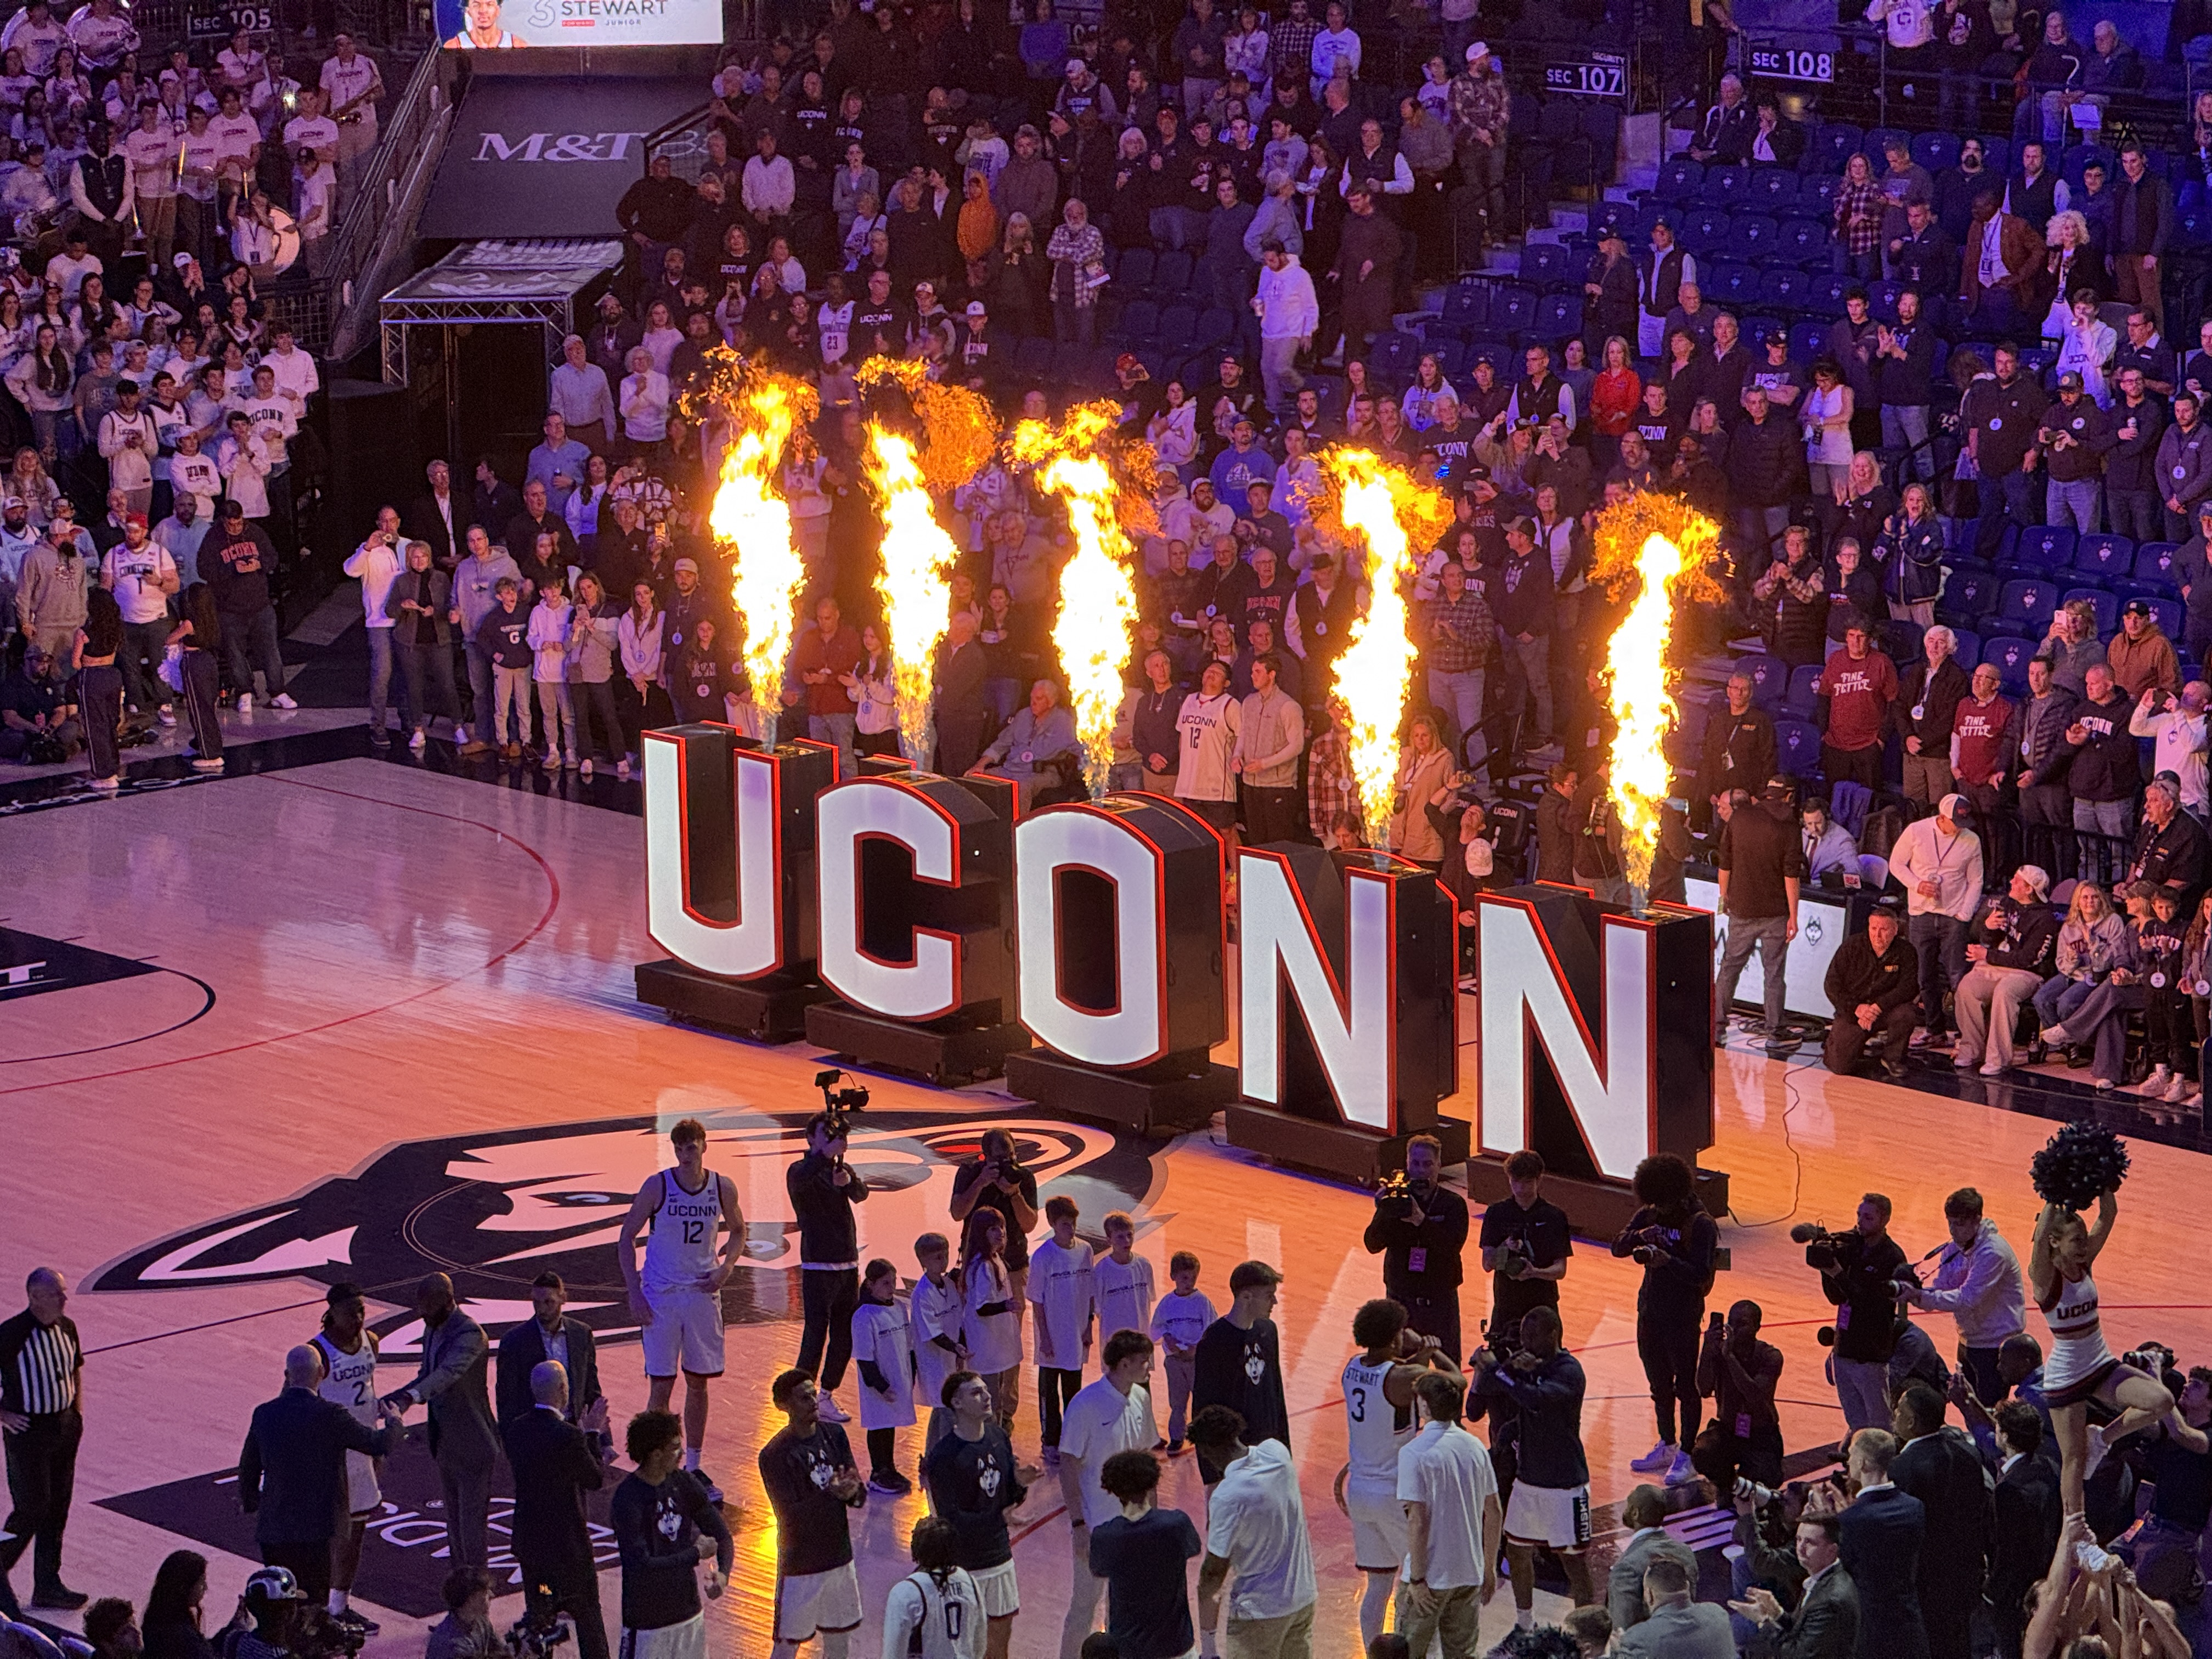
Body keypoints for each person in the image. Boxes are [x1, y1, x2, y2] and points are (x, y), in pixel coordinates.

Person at [2028, 1190, 2191, 1516]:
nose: (2083, 1243)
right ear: (2055, 1241)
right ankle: (2074, 1526)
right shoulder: (2045, 1279)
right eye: (2076, 1239)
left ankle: (2103, 1438)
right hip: (2067, 1374)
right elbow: (2037, 1250)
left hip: (2101, 1362)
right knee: (2073, 1459)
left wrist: (2104, 1180)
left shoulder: (2084, 1263)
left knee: (2162, 1401)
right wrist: (2051, 1193)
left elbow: (2109, 1215)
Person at [617, 1118, 746, 1495]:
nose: (686, 1155)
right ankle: (654, 1464)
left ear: (705, 1146)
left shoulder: (722, 1187)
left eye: (692, 1147)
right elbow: (626, 1238)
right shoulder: (658, 1185)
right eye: (679, 1148)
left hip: (702, 1292)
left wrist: (727, 1267)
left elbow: (739, 1229)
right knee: (661, 1383)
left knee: (698, 1382)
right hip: (662, 1294)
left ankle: (693, 1464)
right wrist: (634, 1291)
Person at [235, 1345, 403, 1608]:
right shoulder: (331, 1415)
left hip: (275, 1527)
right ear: (322, 1373)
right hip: (316, 1529)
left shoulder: (264, 1413)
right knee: (313, 1605)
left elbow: (248, 1467)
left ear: (287, 1375)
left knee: (279, 1601)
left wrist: (254, 1504)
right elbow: (378, 1444)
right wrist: (395, 1421)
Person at [1339, 1297, 1452, 1646]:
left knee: (1379, 1584)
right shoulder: (1406, 1375)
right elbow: (1454, 1382)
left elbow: (1392, 1379)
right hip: (1394, 1491)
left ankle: (1375, 1652)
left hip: (1359, 1489)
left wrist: (1413, 1354)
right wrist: (1431, 1349)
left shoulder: (1352, 1366)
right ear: (1395, 1336)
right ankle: (1424, 1653)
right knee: (1426, 1577)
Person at [1472, 1305, 1595, 1622]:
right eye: (1523, 1334)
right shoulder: (1527, 1364)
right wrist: (1508, 1367)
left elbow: (1534, 1399)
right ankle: (1525, 1624)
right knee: (1516, 1551)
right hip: (1528, 1480)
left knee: (1574, 1564)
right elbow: (1485, 1389)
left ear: (1553, 1334)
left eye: (1532, 1335)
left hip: (1565, 1484)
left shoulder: (1569, 1370)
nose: (1525, 1341)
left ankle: (1588, 1628)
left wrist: (1502, 1372)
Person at [375, 1272, 496, 1571]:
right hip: (445, 1441)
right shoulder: (433, 1328)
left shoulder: (471, 1334)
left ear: (447, 1300)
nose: (422, 1313)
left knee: (471, 1528)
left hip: (473, 1442)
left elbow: (446, 1375)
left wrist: (413, 1397)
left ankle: (478, 1596)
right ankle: (461, 1592)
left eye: (428, 1306)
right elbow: (426, 1374)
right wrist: (396, 1399)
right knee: (454, 1525)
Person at [1615, 1153, 1717, 1489]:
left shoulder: (1700, 1223)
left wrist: (1667, 1261)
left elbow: (1702, 1276)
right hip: (1650, 1311)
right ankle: (1667, 1442)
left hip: (1683, 1315)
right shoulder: (1650, 1212)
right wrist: (1641, 1236)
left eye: (1663, 1203)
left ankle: (1687, 1453)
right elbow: (1617, 1247)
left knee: (1686, 1387)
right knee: (1658, 1385)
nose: (1658, 1209)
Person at [1056, 1330, 1156, 1659]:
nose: (1149, 1368)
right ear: (1124, 1364)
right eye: (1144, 1362)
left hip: (1133, 1526)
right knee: (1084, 1605)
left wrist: (1150, 1519)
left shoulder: (1141, 1397)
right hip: (1097, 1527)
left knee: (1124, 1606)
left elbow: (1147, 1461)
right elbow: (1068, 1465)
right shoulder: (1085, 1405)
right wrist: (1078, 1525)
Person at [1190, 1403, 1317, 1659]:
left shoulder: (1227, 1497)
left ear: (1207, 1450)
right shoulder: (1277, 1452)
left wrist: (1209, 1646)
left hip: (1259, 1613)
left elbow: (1213, 1572)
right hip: (1303, 1599)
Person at [504, 1361, 611, 1659]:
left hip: (532, 1547)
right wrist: (591, 1434)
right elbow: (595, 1478)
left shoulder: (516, 1429)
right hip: (568, 1551)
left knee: (540, 1618)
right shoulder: (569, 1437)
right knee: (587, 1615)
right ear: (564, 1390)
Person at [1395, 1370, 1500, 1659]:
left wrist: (1417, 1580)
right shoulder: (1476, 1447)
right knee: (1463, 1654)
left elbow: (1418, 1520)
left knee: (1405, 1653)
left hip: (1430, 1578)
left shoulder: (1414, 1453)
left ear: (1425, 1406)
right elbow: (1493, 1509)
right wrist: (1488, 1566)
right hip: (1469, 1573)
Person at [618, 1406, 735, 1659]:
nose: (682, 1453)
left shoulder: (684, 1483)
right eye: (674, 1448)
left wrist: (723, 1575)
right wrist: (695, 1554)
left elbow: (723, 1536)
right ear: (656, 1454)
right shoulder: (628, 1499)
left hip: (689, 1614)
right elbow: (642, 1564)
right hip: (647, 1622)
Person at [0, 1267, 84, 1617]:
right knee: (32, 1507)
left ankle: (48, 1585)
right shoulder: (11, 1334)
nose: (64, 1299)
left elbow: (75, 1368)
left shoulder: (67, 1327)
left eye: (63, 1292)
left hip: (64, 1427)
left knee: (57, 1508)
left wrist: (76, 1413)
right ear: (34, 1297)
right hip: (28, 1433)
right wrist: (3, 1415)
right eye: (56, 1294)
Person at [923, 1373, 1025, 1659]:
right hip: (968, 1565)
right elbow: (951, 1518)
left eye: (985, 1391)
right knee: (967, 1647)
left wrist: (1022, 1483)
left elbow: (1008, 1496)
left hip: (1001, 1558)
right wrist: (999, 1519)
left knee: (1000, 1644)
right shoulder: (944, 1457)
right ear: (957, 1403)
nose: (987, 1396)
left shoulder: (998, 1437)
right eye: (976, 1393)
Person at [1889, 1381, 1992, 1659]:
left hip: (1926, 1579)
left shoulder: (1902, 1468)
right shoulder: (1969, 1454)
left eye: (1899, 1410)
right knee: (1959, 1641)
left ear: (1911, 1422)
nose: (1894, 1416)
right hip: (1966, 1570)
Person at [785, 1110, 871, 1426]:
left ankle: (826, 1395)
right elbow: (805, 1176)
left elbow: (862, 1195)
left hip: (847, 1261)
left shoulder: (840, 1168)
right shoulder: (799, 1170)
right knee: (815, 1333)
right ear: (810, 1138)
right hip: (819, 1264)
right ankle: (799, 1398)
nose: (834, 1142)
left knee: (843, 1335)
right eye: (826, 1135)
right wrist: (826, 1155)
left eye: (837, 1137)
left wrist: (849, 1182)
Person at [1901, 1188, 2025, 1405]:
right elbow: (1944, 1287)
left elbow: (1968, 1298)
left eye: (1958, 1224)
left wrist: (1922, 1297)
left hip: (1996, 1345)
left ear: (1977, 1219)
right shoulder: (1954, 1248)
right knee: (1969, 1405)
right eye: (1950, 1222)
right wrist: (1916, 1293)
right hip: (1970, 1339)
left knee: (1989, 1409)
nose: (1952, 1230)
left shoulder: (1993, 1252)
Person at [303, 1284, 380, 1632]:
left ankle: (339, 1606)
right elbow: (293, 1401)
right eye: (351, 1312)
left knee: (356, 1532)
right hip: (331, 1454)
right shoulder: (316, 1353)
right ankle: (316, 1608)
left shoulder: (372, 1342)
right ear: (332, 1312)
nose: (359, 1318)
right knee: (328, 1534)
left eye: (362, 1310)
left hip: (362, 1449)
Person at [1712, 783, 1804, 1056]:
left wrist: (1724, 898)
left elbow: (1724, 864)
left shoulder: (1740, 818)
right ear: (1789, 797)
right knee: (1774, 974)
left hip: (1741, 909)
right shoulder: (1789, 827)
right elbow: (1791, 876)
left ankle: (1716, 1028)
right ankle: (1775, 1033)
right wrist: (1794, 916)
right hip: (1776, 912)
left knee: (1729, 968)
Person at [1361, 1132, 1468, 1357]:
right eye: (1416, 1163)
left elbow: (1451, 1249)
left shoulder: (1453, 1204)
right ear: (1408, 1163)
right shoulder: (1396, 1199)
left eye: (1428, 1164)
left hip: (1440, 1299)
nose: (1421, 1170)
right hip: (1402, 1298)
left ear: (1439, 1165)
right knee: (1402, 1366)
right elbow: (1372, 1244)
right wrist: (1384, 1211)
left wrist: (1421, 1221)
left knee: (1445, 1367)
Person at [1088, 1449, 1200, 1659]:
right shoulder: (1177, 1524)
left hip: (1130, 1650)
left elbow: (1099, 1570)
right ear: (1153, 1483)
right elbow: (1193, 1549)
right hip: (1178, 1647)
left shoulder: (1105, 1536)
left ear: (1112, 1490)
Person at [1811, 1193, 1909, 1433]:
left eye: (1868, 1217)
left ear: (1885, 1219)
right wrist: (1826, 1269)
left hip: (1870, 1356)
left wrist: (1837, 1272)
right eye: (1859, 1215)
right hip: (1844, 1350)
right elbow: (1837, 1297)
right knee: (1856, 1425)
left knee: (1879, 1428)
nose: (1860, 1222)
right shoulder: (1852, 1247)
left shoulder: (1892, 1257)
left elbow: (1867, 1302)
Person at [1192, 1261, 1289, 1485]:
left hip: (1267, 1452)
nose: (1274, 1301)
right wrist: (1212, 1473)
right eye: (1268, 1295)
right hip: (1234, 1459)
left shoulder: (1268, 1330)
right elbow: (1204, 1406)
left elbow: (1275, 1392)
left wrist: (1284, 1450)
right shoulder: (1215, 1341)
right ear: (1246, 1297)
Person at [1838, 1430, 1929, 1659]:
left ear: (1863, 1462)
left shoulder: (1853, 1519)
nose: (1848, 1461)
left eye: (1851, 1455)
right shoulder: (1915, 1508)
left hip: (1869, 1628)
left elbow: (1845, 1571)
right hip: (1909, 1621)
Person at [1728, 1512, 1859, 1659]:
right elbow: (1800, 1632)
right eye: (1798, 1540)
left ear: (1832, 1551)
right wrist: (1777, 1613)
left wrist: (1763, 1622)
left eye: (1810, 1542)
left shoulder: (1830, 1601)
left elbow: (1797, 1655)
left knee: (1735, 1630)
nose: (1801, 1548)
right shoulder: (1820, 1579)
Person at [1030, 1196, 1096, 1469]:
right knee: (1049, 1393)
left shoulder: (1086, 1250)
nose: (1071, 1229)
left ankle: (1072, 1441)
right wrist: (1045, 1337)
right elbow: (1037, 1300)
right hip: (1052, 1339)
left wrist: (1089, 1326)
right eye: (1066, 1224)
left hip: (1076, 1335)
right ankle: (1050, 1442)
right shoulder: (1043, 1256)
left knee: (1073, 1393)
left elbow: (1090, 1292)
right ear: (1052, 1224)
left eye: (1074, 1223)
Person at [1479, 1150, 1571, 1344]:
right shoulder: (1497, 1213)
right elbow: (1488, 1264)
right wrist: (1505, 1247)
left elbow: (1560, 1270)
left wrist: (1534, 1272)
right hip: (1506, 1305)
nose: (1520, 1189)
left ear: (1539, 1180)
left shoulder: (1554, 1217)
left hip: (1543, 1306)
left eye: (1527, 1182)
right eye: (1515, 1181)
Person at [1822, 900, 1920, 1077]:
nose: (1878, 935)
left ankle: (1892, 1058)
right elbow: (1831, 984)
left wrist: (1878, 1006)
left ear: (1895, 930)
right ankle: (1841, 1043)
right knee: (1839, 1067)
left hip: (1884, 1010)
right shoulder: (1852, 946)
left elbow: (1909, 987)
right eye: (1874, 929)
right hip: (1855, 1011)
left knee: (1907, 1013)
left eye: (1884, 930)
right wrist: (1856, 1008)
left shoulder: (1906, 951)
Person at [1695, 1299, 1785, 1487]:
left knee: (1766, 1479)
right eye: (1732, 1323)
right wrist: (1707, 1349)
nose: (1735, 1329)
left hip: (1761, 1434)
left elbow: (1755, 1395)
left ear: (1758, 1327)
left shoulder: (1771, 1356)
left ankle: (1745, 1480)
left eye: (1742, 1324)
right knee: (1703, 1452)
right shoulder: (1720, 1352)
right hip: (1728, 1429)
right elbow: (1703, 1389)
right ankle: (1726, 1485)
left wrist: (1730, 1358)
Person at [852, 1258, 915, 1496]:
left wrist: (912, 1375)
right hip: (879, 1384)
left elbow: (909, 1346)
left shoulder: (899, 1308)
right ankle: (878, 1472)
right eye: (885, 1283)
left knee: (890, 1426)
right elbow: (864, 1358)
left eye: (893, 1282)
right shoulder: (864, 1316)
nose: (892, 1287)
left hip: (899, 1378)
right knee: (879, 1425)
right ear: (870, 1284)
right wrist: (879, 1385)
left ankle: (889, 1468)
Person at [883, 1516, 985, 1659]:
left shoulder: (906, 1592)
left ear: (916, 1548)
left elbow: (893, 1654)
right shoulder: (970, 1582)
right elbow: (979, 1644)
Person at [1148, 1254, 1213, 1454]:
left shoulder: (1202, 1302)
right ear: (1173, 1276)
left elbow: (1212, 1329)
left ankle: (1202, 1435)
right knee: (1177, 1402)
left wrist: (1198, 1348)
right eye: (1185, 1278)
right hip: (1175, 1361)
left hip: (1197, 1360)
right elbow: (1155, 1330)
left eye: (1193, 1278)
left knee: (1201, 1399)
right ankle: (1177, 1437)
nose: (1189, 1282)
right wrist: (1167, 1337)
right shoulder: (1167, 1303)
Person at [1617, 1554, 1731, 1659]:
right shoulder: (1718, 1613)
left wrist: (1619, 1652)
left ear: (1650, 1595)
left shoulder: (1637, 1638)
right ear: (1687, 1586)